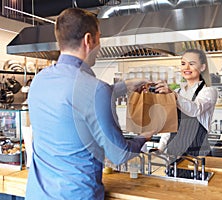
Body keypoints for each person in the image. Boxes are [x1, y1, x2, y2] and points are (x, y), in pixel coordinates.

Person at [26, 8, 156, 200]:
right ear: (89, 40)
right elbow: (119, 155)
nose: (100, 45)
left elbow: (79, 101)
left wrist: (126, 86)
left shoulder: (39, 80)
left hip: (37, 194)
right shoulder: (95, 89)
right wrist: (144, 137)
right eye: (99, 38)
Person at [155, 49, 218, 157]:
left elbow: (195, 109)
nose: (186, 68)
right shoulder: (179, 92)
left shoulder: (208, 91)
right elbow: (171, 124)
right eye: (183, 64)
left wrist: (173, 95)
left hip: (197, 154)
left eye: (192, 63)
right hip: (174, 153)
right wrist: (160, 148)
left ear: (202, 67)